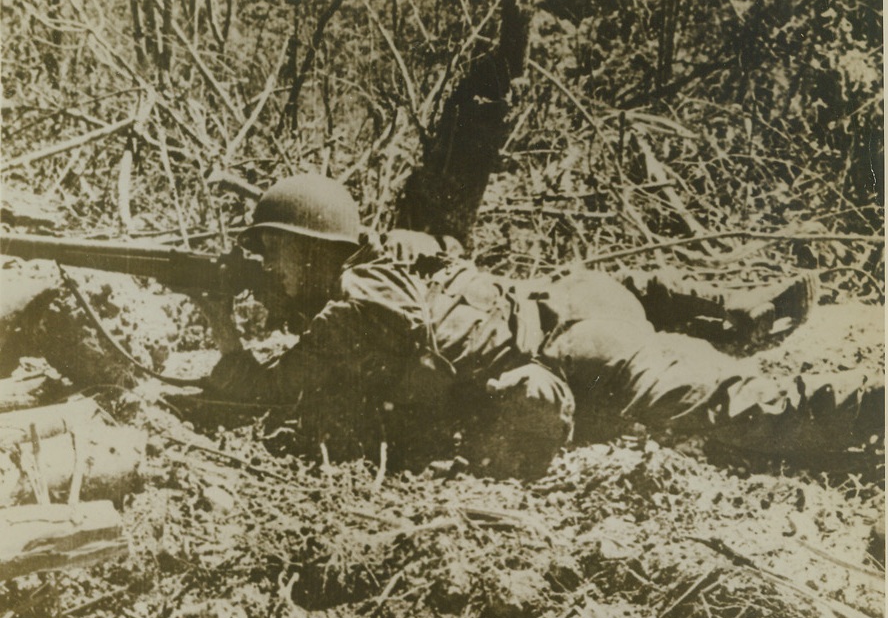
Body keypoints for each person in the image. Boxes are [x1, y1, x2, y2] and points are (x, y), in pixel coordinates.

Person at [196, 172, 882, 477]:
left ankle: (869, 404)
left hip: (584, 355)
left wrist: (222, 327)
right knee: (644, 290)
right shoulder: (398, 252)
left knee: (733, 406)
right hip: (574, 296)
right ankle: (738, 312)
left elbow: (258, 396)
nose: (269, 265)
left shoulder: (351, 315)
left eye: (275, 252)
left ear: (313, 252)